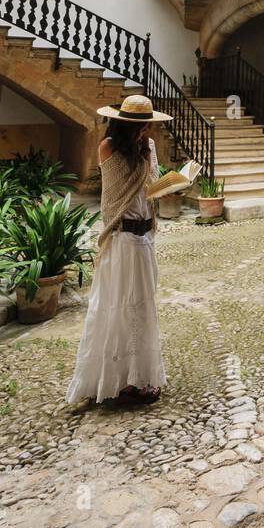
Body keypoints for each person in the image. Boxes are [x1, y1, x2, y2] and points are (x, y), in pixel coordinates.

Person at [66, 94, 171, 406]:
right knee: (117, 307)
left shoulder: (148, 147)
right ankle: (114, 378)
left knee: (142, 306)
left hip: (144, 237)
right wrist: (140, 155)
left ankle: (140, 376)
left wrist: (173, 184)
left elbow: (151, 187)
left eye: (148, 123)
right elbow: (121, 189)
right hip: (122, 237)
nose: (148, 129)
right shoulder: (109, 147)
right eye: (142, 124)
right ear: (126, 123)